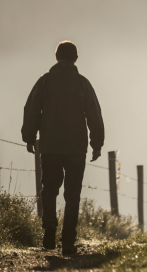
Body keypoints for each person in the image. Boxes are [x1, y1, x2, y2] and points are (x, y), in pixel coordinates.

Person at [21, 41, 105, 255]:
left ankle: (49, 223)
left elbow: (31, 110)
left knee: (49, 189)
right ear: (76, 58)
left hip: (49, 145)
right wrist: (96, 144)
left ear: (57, 57)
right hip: (76, 147)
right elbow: (94, 115)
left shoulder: (44, 82)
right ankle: (68, 241)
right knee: (73, 194)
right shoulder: (83, 84)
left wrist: (29, 136)